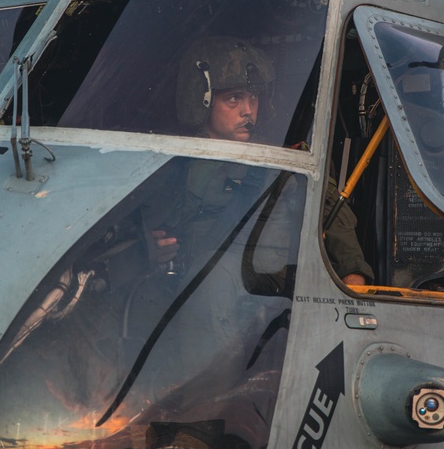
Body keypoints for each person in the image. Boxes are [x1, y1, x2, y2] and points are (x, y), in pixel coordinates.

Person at [156, 34, 373, 286]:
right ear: (203, 101)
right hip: (184, 296)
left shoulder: (285, 164)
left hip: (260, 299)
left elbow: (333, 221)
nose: (248, 110)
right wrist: (153, 250)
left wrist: (354, 272)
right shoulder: (173, 163)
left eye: (253, 98)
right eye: (234, 98)